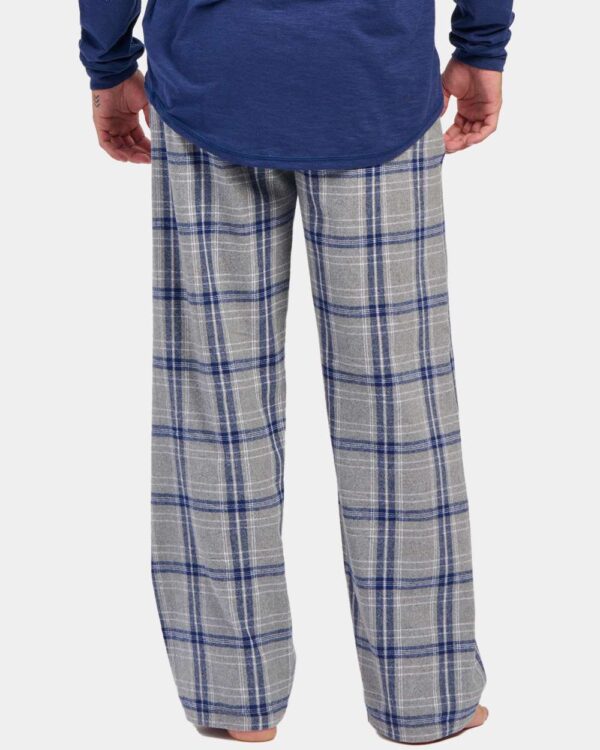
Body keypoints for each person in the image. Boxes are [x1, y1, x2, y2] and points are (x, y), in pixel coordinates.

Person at [78, 0, 514, 743]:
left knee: (215, 407)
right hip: (372, 80)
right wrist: (482, 43)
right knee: (400, 412)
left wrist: (109, 60)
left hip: (211, 78)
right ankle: (427, 697)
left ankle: (232, 698)